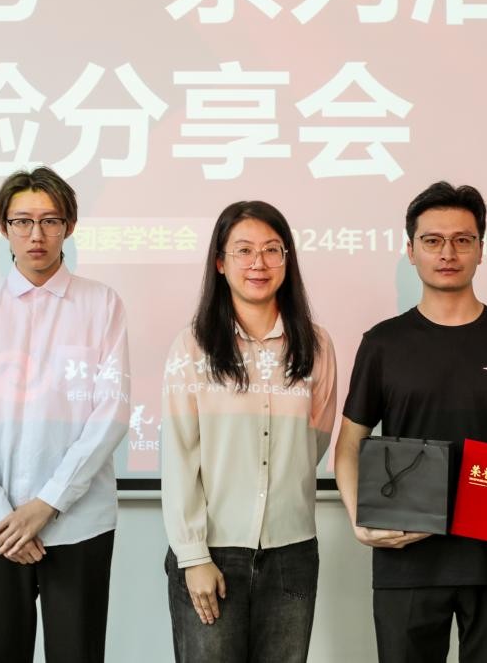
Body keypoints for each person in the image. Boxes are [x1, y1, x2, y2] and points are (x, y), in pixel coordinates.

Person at [334, 181, 487, 663]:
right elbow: (348, 444)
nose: (448, 253)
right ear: (411, 251)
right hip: (405, 559)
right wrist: (358, 520)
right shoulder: (383, 344)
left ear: (481, 250)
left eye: (462, 240)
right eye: (432, 240)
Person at [0, 166, 130, 663]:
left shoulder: (102, 304)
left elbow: (112, 411)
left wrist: (48, 503)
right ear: (3, 227)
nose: (36, 234)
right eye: (22, 221)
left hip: (78, 523)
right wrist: (0, 516)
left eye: (50, 221)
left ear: (69, 226)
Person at [161, 200, 337, 663]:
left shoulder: (317, 345)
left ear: (287, 259)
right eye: (243, 250)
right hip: (213, 552)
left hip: (292, 552)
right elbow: (178, 455)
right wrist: (193, 556)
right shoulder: (193, 345)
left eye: (271, 249)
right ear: (220, 262)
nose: (258, 263)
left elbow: (315, 439)